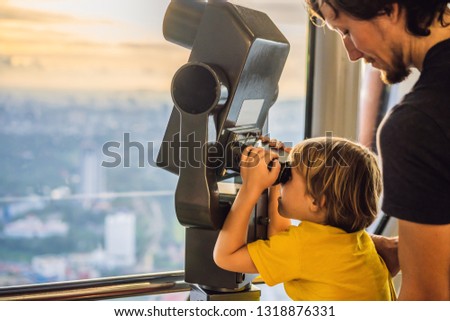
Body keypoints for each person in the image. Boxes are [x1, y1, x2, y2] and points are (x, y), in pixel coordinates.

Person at [304, 0, 450, 300]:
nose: (352, 53)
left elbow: (427, 300)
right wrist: (405, 249)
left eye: (346, 30)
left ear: (389, 9)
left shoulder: (415, 127)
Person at [214, 137, 396, 300]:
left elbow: (226, 256)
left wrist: (250, 188)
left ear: (316, 201)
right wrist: (274, 182)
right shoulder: (356, 241)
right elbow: (281, 240)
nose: (284, 177)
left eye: (289, 176)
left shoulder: (304, 248)